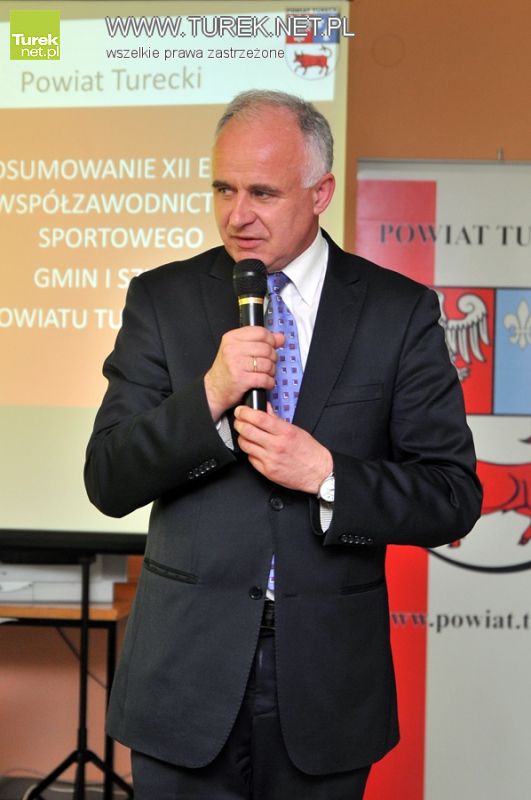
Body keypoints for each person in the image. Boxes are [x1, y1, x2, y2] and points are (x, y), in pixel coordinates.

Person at [84, 90, 482, 799]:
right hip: (183, 678)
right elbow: (108, 479)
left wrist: (328, 474)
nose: (237, 215)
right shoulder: (162, 299)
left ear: (320, 192)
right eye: (224, 189)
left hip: (327, 685)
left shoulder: (397, 311)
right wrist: (210, 393)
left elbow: (451, 496)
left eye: (262, 193)